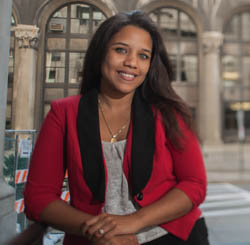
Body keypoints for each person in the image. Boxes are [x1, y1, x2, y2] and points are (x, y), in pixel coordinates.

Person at [24, 10, 209, 245]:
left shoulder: (169, 113)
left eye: (143, 56)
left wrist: (133, 221)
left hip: (171, 236)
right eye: (121, 50)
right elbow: (38, 198)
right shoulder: (63, 113)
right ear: (101, 53)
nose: (131, 63)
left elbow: (194, 184)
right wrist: (98, 231)